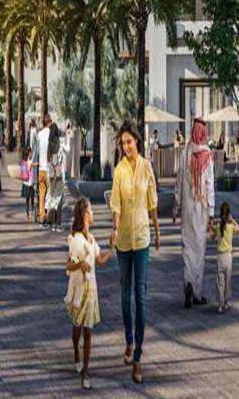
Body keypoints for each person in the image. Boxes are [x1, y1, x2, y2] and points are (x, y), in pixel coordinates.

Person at [108, 119, 160, 385]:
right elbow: (115, 205)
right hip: (123, 242)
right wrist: (115, 230)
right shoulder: (118, 171)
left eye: (129, 142)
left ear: (137, 141)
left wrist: (158, 232)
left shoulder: (147, 168)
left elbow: (152, 202)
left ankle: (138, 355)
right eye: (123, 143)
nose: (127, 146)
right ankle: (128, 339)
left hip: (142, 240)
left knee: (140, 295)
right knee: (124, 294)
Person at [65, 196, 115, 391]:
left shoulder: (91, 239)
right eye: (92, 211)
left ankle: (86, 371)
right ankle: (76, 355)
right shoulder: (77, 240)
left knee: (88, 333)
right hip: (80, 291)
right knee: (77, 330)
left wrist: (112, 248)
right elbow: (68, 264)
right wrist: (80, 264)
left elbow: (100, 260)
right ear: (86, 215)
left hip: (91, 292)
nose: (93, 214)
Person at [175, 117, 214, 308]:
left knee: (187, 247)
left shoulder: (185, 152)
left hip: (187, 209)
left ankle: (188, 282)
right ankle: (196, 292)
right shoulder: (207, 154)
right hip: (201, 209)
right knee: (199, 249)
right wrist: (212, 213)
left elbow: (179, 180)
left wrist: (176, 204)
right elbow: (210, 186)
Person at [208, 200, 239, 314]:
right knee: (228, 281)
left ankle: (220, 305)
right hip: (228, 257)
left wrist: (210, 228)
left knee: (220, 282)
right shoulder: (230, 227)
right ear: (229, 214)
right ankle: (226, 302)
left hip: (220, 257)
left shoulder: (218, 226)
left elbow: (211, 237)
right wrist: (233, 220)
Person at [46, 125, 69, 231]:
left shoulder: (49, 145)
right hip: (58, 175)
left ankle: (53, 223)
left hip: (51, 175)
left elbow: (49, 162)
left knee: (53, 200)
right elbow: (67, 150)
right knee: (58, 201)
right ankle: (58, 225)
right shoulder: (58, 144)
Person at [37, 115, 53, 224]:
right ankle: (49, 216)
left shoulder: (39, 134)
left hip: (41, 168)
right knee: (50, 193)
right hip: (50, 168)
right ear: (49, 123)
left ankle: (42, 216)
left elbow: (37, 150)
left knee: (42, 192)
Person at [21, 147, 36, 219]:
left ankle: (27, 213)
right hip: (30, 184)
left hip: (25, 183)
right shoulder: (29, 162)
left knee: (27, 200)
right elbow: (35, 164)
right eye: (31, 152)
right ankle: (32, 211)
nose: (32, 154)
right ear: (28, 153)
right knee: (32, 198)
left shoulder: (23, 162)